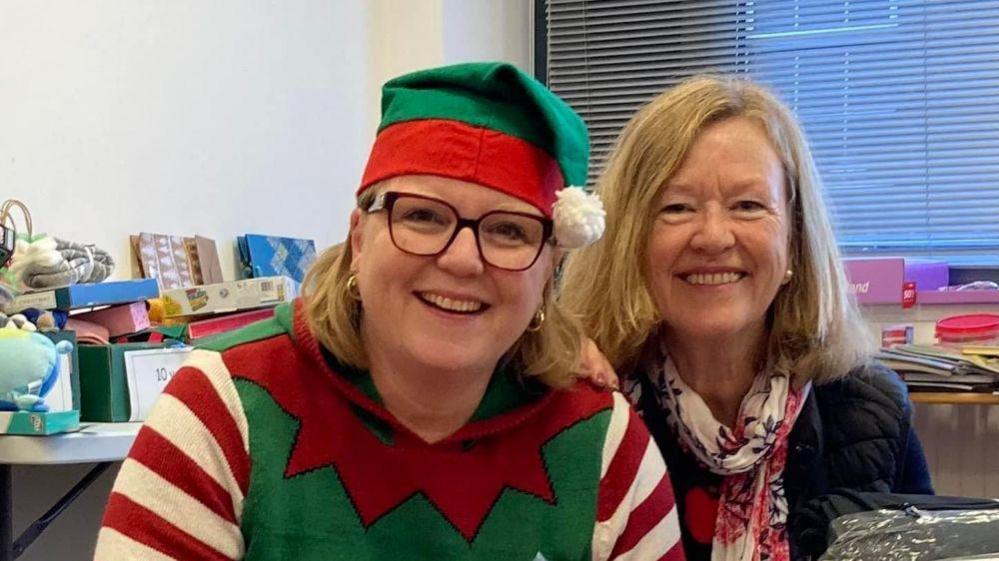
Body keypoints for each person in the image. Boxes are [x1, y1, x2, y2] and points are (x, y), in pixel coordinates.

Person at [93, 62, 685, 561]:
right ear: (358, 237)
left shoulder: (602, 443)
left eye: (508, 230)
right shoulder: (223, 409)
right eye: (422, 216)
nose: (461, 259)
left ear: (549, 269)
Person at [562, 75, 933, 561]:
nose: (713, 237)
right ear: (631, 239)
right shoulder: (584, 414)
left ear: (795, 240)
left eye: (748, 205)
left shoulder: (871, 411)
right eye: (676, 207)